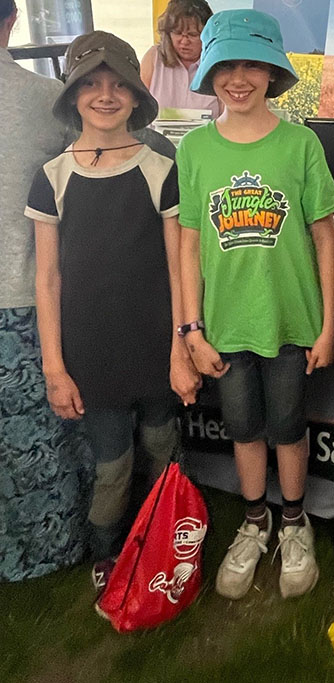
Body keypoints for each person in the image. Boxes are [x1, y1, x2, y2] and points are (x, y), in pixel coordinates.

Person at [25, 31, 199, 605]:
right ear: (73, 95)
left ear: (135, 95)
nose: (105, 95)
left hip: (155, 349)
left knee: (160, 447)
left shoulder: (159, 167)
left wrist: (181, 349)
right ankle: (107, 551)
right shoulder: (52, 177)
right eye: (92, 84)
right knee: (112, 467)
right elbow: (47, 279)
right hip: (91, 357)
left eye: (118, 84)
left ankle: (160, 537)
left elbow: (180, 268)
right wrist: (55, 366)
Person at [177, 9, 334, 600]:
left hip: (293, 321)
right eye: (226, 65)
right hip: (225, 325)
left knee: (289, 427)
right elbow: (189, 243)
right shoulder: (194, 149)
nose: (238, 77)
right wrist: (191, 328)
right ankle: (254, 519)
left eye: (252, 64)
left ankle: (293, 520)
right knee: (244, 429)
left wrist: (329, 324)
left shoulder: (301, 143)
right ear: (210, 72)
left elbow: (326, 234)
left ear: (273, 73)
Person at [0, 0, 93, 582]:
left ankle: (53, 552)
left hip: (25, 301)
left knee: (40, 441)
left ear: (8, 21)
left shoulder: (46, 103)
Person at [141, 0, 219, 117]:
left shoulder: (217, 64)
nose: (184, 41)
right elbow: (138, 106)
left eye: (192, 35)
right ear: (167, 33)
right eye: (177, 33)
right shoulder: (153, 57)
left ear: (207, 35)